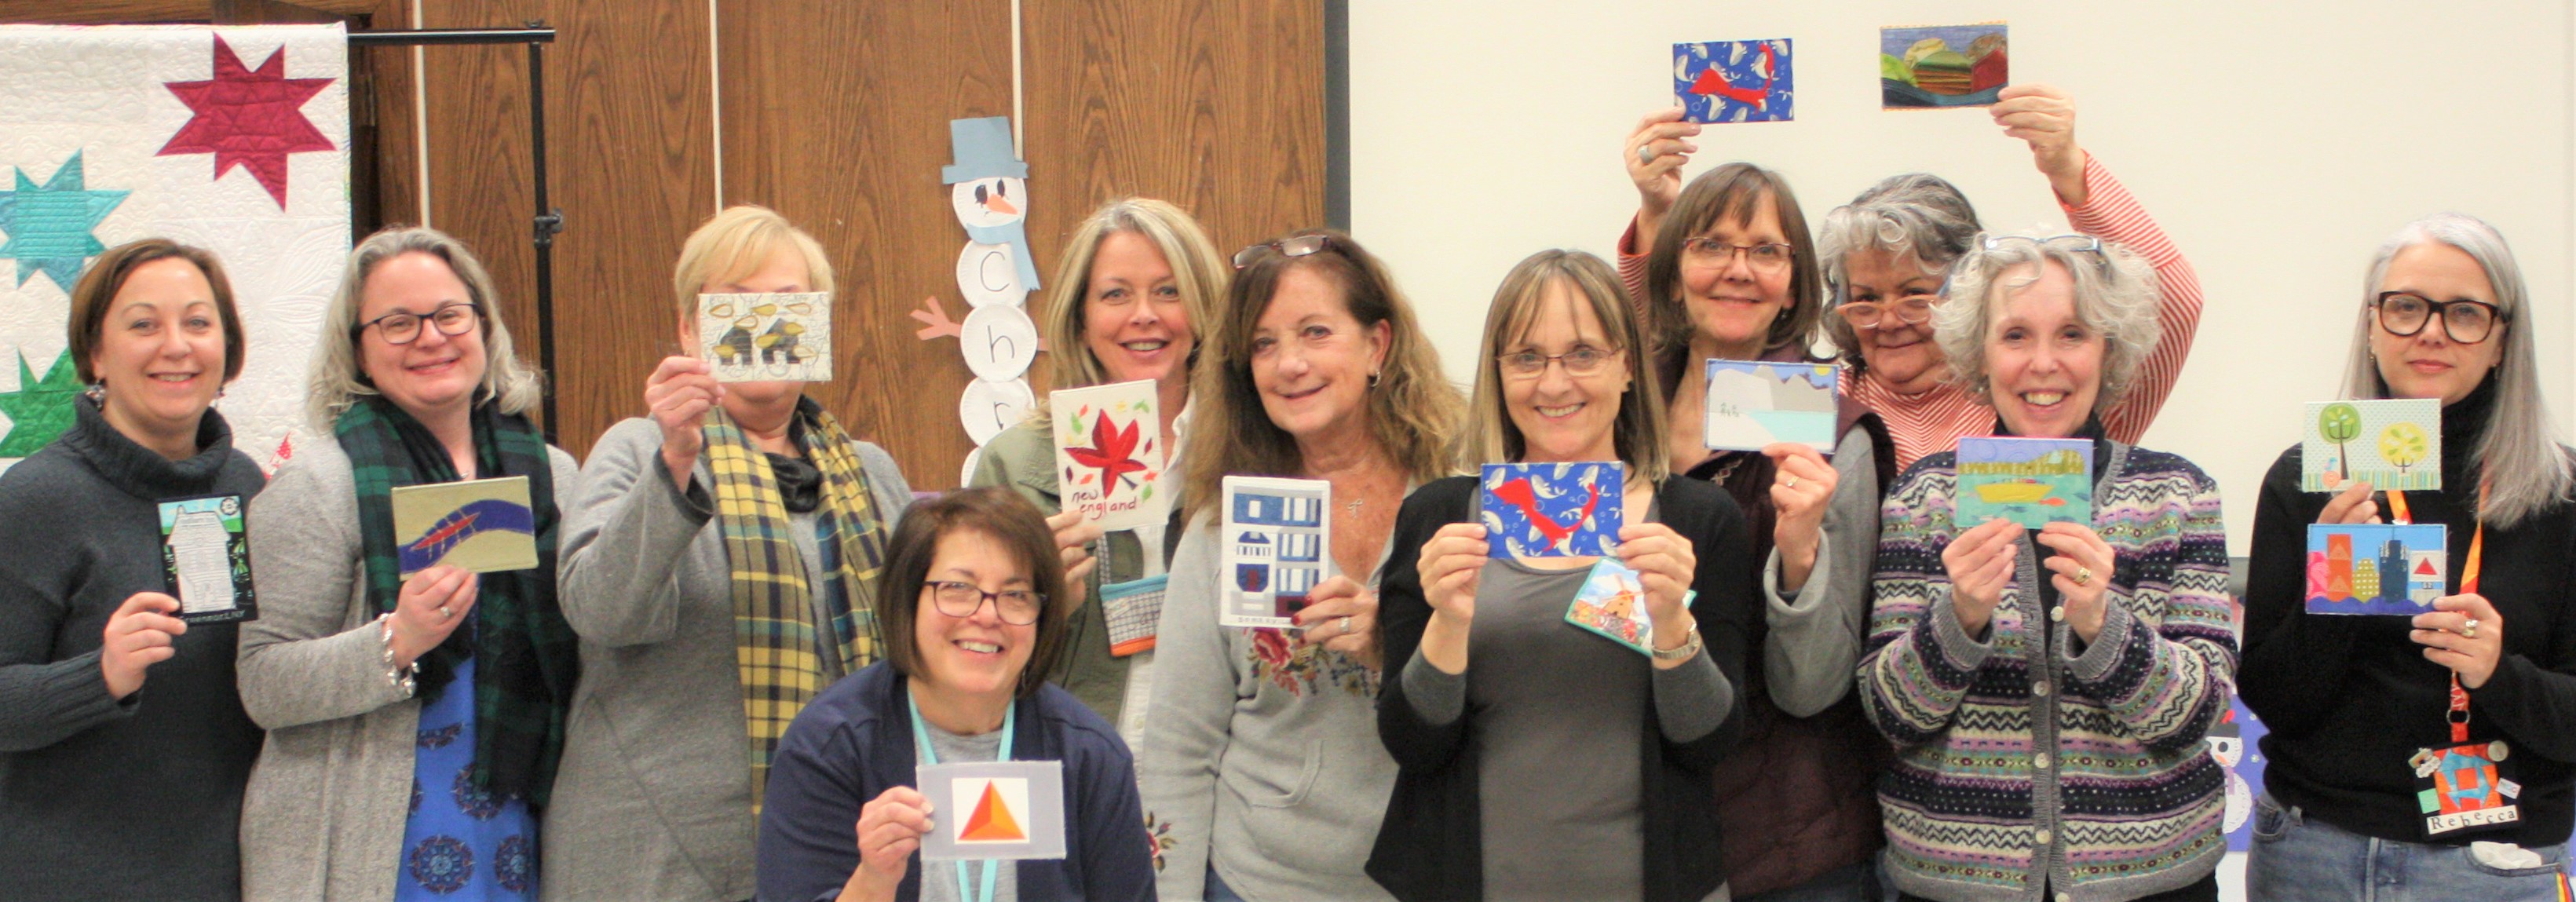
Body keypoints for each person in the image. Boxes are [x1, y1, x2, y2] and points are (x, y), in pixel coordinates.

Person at [544, 206, 922, 901]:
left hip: (836, 842)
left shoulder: (868, 471)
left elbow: (920, 638)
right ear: (691, 328)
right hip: (655, 854)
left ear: (816, 324)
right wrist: (675, 462)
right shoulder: (638, 449)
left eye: (787, 303)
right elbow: (599, 611)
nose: (763, 323)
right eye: (737, 304)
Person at [1856, 229, 2235, 902]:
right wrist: (1959, 618)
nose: (2042, 363)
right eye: (2014, 336)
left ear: (2108, 350)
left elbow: (2196, 712)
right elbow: (1891, 714)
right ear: (1979, 354)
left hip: (2150, 880)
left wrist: (2101, 623)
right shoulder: (1924, 496)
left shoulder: (2177, 493)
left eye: (2072, 334)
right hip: (1957, 881)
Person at [1372, 249, 1757, 902]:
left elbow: (1707, 742)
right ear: (1498, 373)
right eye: (1527, 357)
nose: (1553, 384)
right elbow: (1412, 743)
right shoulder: (1439, 517)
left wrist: (1671, 620)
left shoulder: (1697, 520)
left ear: (1627, 365)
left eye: (1582, 354)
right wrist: (1449, 620)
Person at [236, 227, 581, 901]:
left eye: (450, 314)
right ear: (358, 351)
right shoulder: (319, 486)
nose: (431, 338)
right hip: (367, 835)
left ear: (484, 326)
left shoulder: (554, 475)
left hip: (525, 821)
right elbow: (264, 684)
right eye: (398, 323)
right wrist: (398, 639)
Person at [2239, 214, 2576, 900]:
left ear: (2502, 340)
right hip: (2314, 850)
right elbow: (2273, 700)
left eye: (2464, 313)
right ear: (2371, 325)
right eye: (2405, 307)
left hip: (2492, 863)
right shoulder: (2308, 478)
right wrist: (2333, 586)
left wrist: (2497, 673)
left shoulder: (2560, 494)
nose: (2430, 331)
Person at [1615, 104, 1896, 902]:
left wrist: (1800, 552)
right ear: (1672, 270)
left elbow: (1813, 686)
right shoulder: (1617, 415)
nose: (1737, 269)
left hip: (1787, 848)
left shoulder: (1833, 435)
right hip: (1634, 819)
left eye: (1765, 251)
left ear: (1792, 286)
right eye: (1710, 245)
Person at [1140, 229, 1464, 901]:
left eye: (1315, 332)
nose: (1289, 364)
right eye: (1263, 343)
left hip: (1433, 877)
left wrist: (1396, 643)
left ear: (1376, 345)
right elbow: (1178, 748)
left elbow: (1522, 693)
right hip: (1257, 882)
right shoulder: (1221, 528)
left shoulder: (1463, 498)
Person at [0, 240, 264, 901]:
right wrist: (102, 675)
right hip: (72, 877)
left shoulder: (246, 485)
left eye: (198, 322)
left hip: (230, 874)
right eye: (144, 324)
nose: (176, 346)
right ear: (96, 354)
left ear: (227, 348)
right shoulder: (36, 499)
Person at [755, 487, 1155, 902]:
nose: (987, 614)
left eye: (1016, 595)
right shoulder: (828, 744)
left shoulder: (1091, 753)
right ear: (908, 600)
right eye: (958, 588)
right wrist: (874, 880)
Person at [1802, 85, 2206, 471]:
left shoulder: (2043, 397)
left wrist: (2069, 170)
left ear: (1968, 298)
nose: (1889, 321)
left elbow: (2175, 301)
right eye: (1867, 300)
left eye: (1915, 296)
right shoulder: (1818, 400)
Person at [970, 197, 1227, 738]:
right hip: (1069, 760)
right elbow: (964, 656)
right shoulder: (1012, 464)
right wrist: (1034, 605)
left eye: (1169, 291)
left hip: (1208, 762)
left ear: (1203, 310)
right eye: (1115, 294)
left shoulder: (1249, 456)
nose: (1144, 314)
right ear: (1081, 320)